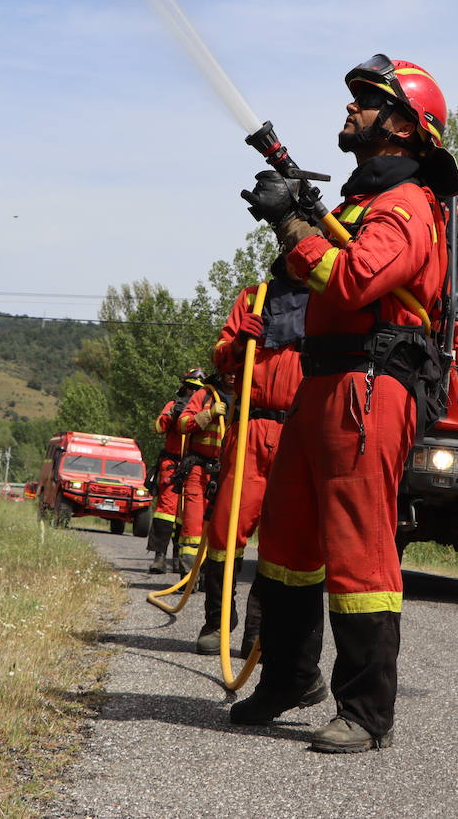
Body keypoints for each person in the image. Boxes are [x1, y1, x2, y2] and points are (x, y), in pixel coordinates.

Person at [230, 55, 458, 753]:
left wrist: (293, 226)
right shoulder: (362, 204)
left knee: (359, 547)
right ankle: (289, 678)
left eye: (367, 102)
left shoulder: (407, 205)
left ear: (402, 127)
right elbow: (314, 272)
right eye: (356, 99)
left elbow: (355, 277)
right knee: (290, 538)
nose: (351, 109)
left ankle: (366, 712)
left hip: (369, 387)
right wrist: (296, 220)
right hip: (322, 383)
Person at [195, 278, 306, 655]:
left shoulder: (331, 300)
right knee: (225, 531)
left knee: (283, 541)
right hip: (250, 429)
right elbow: (220, 354)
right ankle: (217, 622)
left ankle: (257, 635)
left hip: (298, 432)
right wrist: (240, 342)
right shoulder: (255, 297)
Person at [145, 369, 205, 574]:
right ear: (183, 386)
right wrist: (172, 414)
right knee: (166, 511)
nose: (192, 392)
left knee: (186, 515)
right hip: (171, 463)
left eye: (197, 389)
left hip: (193, 465)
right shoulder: (173, 404)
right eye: (190, 387)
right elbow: (157, 427)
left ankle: (180, 559)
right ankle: (159, 557)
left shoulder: (204, 408)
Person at [173, 371, 229, 576]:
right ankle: (188, 575)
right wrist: (209, 414)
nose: (231, 375)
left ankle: (209, 576)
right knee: (193, 526)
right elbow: (182, 424)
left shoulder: (245, 395)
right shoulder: (205, 394)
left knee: (219, 529)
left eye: (235, 371)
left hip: (225, 472)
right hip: (198, 469)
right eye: (228, 371)